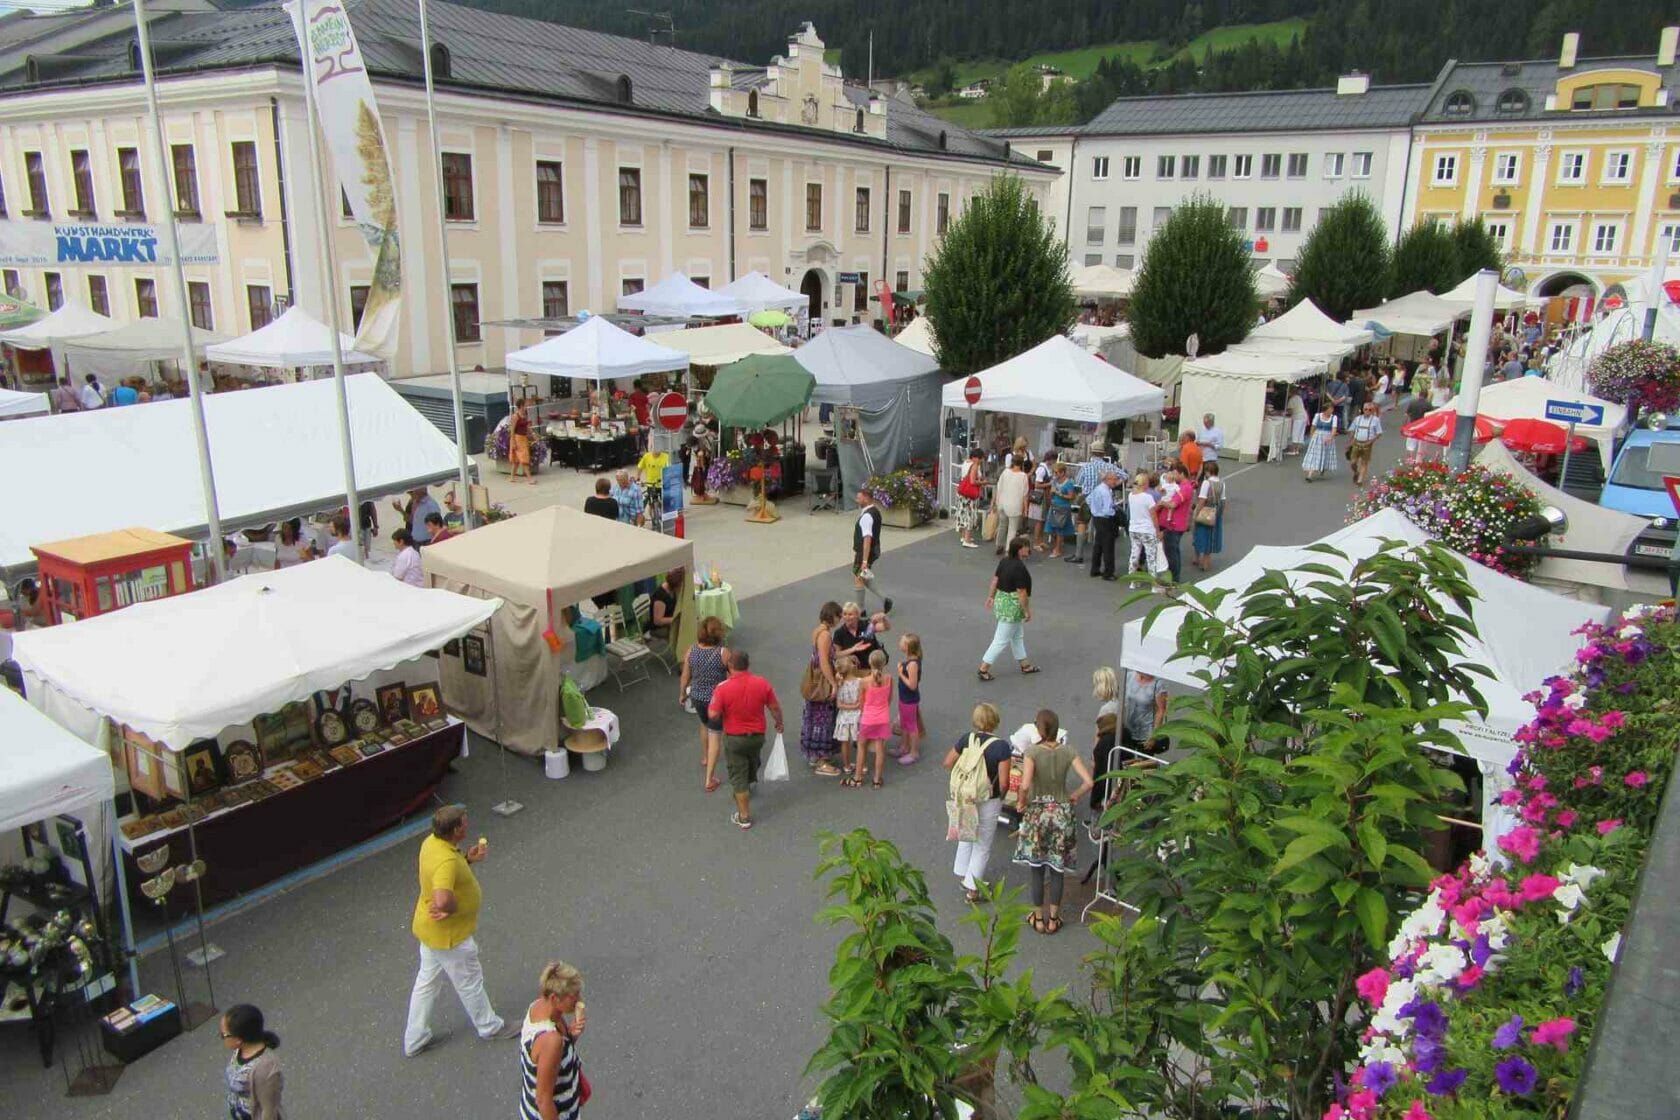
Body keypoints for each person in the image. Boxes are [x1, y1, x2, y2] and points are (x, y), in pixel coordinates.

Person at [403, 805, 515, 1055]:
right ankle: (489, 1026)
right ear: (456, 830)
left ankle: (415, 1038)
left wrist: (467, 859)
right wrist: (450, 907)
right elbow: (442, 898)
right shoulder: (446, 861)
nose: (468, 825)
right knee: (469, 981)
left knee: (427, 982)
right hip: (450, 936)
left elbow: (439, 873)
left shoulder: (431, 844)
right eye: (464, 823)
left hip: (430, 931)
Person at [1012, 709, 1094, 936]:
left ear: (1038, 729)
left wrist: (1020, 802)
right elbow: (1088, 781)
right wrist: (1075, 795)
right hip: (1061, 813)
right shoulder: (1068, 751)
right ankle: (1054, 919)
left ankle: (1037, 918)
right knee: (1057, 868)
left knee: (1037, 868)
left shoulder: (1032, 752)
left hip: (1037, 813)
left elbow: (1026, 784)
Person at [943, 702, 1013, 902]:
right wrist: (1002, 796)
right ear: (995, 721)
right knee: (983, 843)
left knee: (967, 835)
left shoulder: (967, 739)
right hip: (988, 798)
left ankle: (964, 874)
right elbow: (1005, 781)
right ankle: (973, 889)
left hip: (965, 796)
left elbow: (948, 762)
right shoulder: (1001, 746)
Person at [708, 650, 784, 829]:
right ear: (748, 665)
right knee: (753, 760)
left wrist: (721, 712)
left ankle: (743, 815)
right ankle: (750, 781)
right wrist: (779, 723)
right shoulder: (762, 683)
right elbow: (774, 707)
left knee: (737, 775)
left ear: (730, 666)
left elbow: (713, 714)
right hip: (757, 736)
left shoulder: (722, 688)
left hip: (734, 738)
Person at [519, 962, 587, 1120]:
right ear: (554, 998)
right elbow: (543, 1100)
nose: (579, 1000)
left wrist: (571, 1036)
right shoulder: (551, 1041)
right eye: (574, 996)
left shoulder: (538, 1007)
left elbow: (551, 1060)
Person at [681, 615, 731, 792]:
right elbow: (734, 677)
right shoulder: (723, 653)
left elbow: (685, 675)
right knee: (715, 733)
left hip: (697, 697)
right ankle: (709, 778)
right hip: (716, 700)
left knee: (704, 724)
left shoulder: (692, 650)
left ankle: (705, 755)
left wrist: (682, 694)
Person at [978, 535, 1038, 681]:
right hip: (1013, 607)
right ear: (1020, 549)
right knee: (1001, 639)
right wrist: (1026, 610)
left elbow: (995, 580)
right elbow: (1021, 592)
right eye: (1026, 547)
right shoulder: (1019, 567)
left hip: (1002, 601)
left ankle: (1025, 665)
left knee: (1017, 636)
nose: (1028, 549)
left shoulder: (1005, 561)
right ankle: (984, 668)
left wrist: (991, 596)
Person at [799, 602, 844, 778]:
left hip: (814, 682)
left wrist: (851, 650)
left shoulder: (818, 630)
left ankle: (815, 755)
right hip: (822, 683)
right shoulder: (825, 635)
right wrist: (833, 683)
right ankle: (822, 761)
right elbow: (825, 662)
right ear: (833, 616)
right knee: (823, 720)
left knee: (813, 719)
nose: (840, 620)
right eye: (839, 616)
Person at [220, 1003, 283, 1120]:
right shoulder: (239, 1050)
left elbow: (269, 1110)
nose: (222, 1038)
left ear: (239, 1040)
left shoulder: (265, 1069)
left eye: (223, 1035)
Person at [844, 649, 893, 789]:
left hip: (868, 718)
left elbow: (861, 702)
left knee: (861, 746)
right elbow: (889, 699)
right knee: (880, 749)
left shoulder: (864, 681)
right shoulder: (889, 678)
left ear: (869, 663)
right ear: (884, 663)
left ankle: (857, 778)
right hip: (882, 718)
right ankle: (877, 779)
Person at [851, 488, 891, 612]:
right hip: (873, 550)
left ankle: (861, 611)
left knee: (858, 578)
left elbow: (867, 538)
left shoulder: (867, 516)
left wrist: (864, 561)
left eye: (859, 497)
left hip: (865, 552)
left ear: (867, 498)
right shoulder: (875, 512)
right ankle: (885, 600)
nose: (857, 499)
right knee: (863, 576)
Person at [1088, 668, 1121, 815]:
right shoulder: (1119, 703)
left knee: (1101, 779)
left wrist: (1093, 755)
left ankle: (1099, 805)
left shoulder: (1106, 709)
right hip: (1117, 746)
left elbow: (1099, 734)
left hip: (1105, 749)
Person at [1156, 466, 1194, 583]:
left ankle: (1174, 579)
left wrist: (1162, 503)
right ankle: (1172, 577)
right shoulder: (1182, 487)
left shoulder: (1184, 488)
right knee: (1172, 551)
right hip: (1173, 523)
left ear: (1181, 474)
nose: (1173, 475)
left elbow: (1173, 504)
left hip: (1175, 525)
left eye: (1175, 473)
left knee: (1171, 552)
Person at [1086, 467, 1121, 580]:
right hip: (1106, 519)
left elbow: (1088, 500)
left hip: (1097, 518)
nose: (1115, 482)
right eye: (1114, 479)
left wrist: (1094, 509)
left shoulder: (1098, 488)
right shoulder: (1106, 492)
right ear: (1108, 479)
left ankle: (1095, 569)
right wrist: (1114, 511)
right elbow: (1107, 510)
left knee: (1098, 545)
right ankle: (1108, 572)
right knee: (1108, 547)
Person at [894, 632, 923, 765]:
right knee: (905, 724)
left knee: (911, 726)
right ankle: (904, 747)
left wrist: (900, 673)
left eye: (901, 642)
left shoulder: (912, 664)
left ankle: (914, 752)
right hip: (904, 698)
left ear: (907, 646)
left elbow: (912, 685)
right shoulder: (910, 660)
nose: (899, 643)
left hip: (909, 699)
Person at [992, 455, 1029, 556]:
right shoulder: (1023, 476)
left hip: (1003, 503)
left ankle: (999, 545)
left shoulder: (1005, 472)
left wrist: (996, 502)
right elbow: (1025, 494)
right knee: (1012, 529)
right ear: (1022, 463)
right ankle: (1009, 549)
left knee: (1002, 525)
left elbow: (999, 488)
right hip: (1015, 505)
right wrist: (1025, 509)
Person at [1126, 472, 1162, 576]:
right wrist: (1158, 531)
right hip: (1147, 529)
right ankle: (1154, 583)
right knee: (1151, 557)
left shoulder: (1131, 495)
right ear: (1145, 484)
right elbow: (1153, 516)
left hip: (1134, 528)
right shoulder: (1148, 498)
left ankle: (1132, 579)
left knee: (1134, 554)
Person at [1191, 461, 1225, 572]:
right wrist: (1220, 513)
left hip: (1205, 511)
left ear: (1208, 472)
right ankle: (1206, 560)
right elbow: (1223, 500)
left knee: (1199, 534)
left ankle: (1197, 557)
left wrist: (1196, 512)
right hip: (1215, 512)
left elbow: (1202, 500)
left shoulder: (1206, 483)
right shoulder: (1222, 483)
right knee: (1211, 537)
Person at [953, 447, 985, 549]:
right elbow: (972, 481)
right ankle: (967, 540)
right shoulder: (975, 466)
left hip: (963, 491)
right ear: (976, 458)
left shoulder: (965, 463)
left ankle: (963, 537)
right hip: (970, 494)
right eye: (981, 458)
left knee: (962, 514)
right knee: (970, 515)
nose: (982, 461)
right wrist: (983, 482)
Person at [1302, 400, 1341, 482]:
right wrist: (1312, 436)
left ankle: (1322, 467)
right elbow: (1313, 427)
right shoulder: (1318, 416)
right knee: (1314, 455)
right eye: (1330, 409)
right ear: (1326, 410)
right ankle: (1310, 475)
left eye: (1332, 409)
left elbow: (1334, 429)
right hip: (1317, 436)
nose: (1331, 411)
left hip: (1327, 436)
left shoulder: (1334, 418)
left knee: (1325, 454)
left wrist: (1330, 437)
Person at [1045, 462, 1078, 560]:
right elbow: (1051, 493)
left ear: (1062, 472)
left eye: (1056, 473)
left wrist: (1060, 494)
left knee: (1060, 529)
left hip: (1063, 508)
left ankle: (1058, 549)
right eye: (1054, 473)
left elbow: (1071, 496)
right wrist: (1051, 494)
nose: (1055, 475)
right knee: (1053, 528)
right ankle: (1058, 546)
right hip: (1054, 506)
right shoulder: (1055, 481)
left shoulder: (1069, 483)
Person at [1348, 400, 1383, 487]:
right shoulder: (1357, 419)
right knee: (1353, 462)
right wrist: (1350, 441)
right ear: (1362, 410)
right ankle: (1356, 472)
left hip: (1367, 444)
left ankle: (1360, 480)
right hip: (1356, 442)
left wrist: (1371, 441)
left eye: (1370, 410)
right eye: (1366, 409)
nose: (1367, 411)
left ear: (1373, 411)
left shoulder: (1375, 420)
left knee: (1364, 462)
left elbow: (1379, 433)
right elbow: (1351, 430)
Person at [1026, 450, 1055, 551]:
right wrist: (1050, 484)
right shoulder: (1042, 469)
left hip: (1044, 495)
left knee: (1042, 520)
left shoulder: (1046, 468)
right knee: (1039, 520)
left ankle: (1040, 540)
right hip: (1040, 496)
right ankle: (1036, 542)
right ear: (1050, 459)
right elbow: (1037, 484)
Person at [509, 401, 536, 484]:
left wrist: (533, 435)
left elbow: (527, 426)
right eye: (525, 406)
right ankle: (529, 479)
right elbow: (512, 430)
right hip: (517, 438)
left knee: (516, 459)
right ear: (521, 406)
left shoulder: (524, 415)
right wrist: (513, 442)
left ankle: (512, 477)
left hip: (523, 438)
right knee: (524, 458)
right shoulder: (515, 416)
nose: (526, 407)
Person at [1403, 391, 1431, 460]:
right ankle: (1419, 460)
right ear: (1426, 396)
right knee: (1422, 443)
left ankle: (1410, 458)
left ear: (1419, 395)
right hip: (1423, 426)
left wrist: (1405, 424)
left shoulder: (1413, 403)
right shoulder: (1428, 405)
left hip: (1413, 425)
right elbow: (1430, 416)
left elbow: (1407, 414)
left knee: (1410, 444)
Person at [1286, 386, 1309, 454]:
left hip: (1298, 417)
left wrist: (1286, 412)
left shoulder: (1291, 399)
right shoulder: (1299, 397)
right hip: (1304, 416)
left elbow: (1291, 411)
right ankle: (1297, 449)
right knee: (1300, 433)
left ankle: (1293, 450)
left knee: (1295, 433)